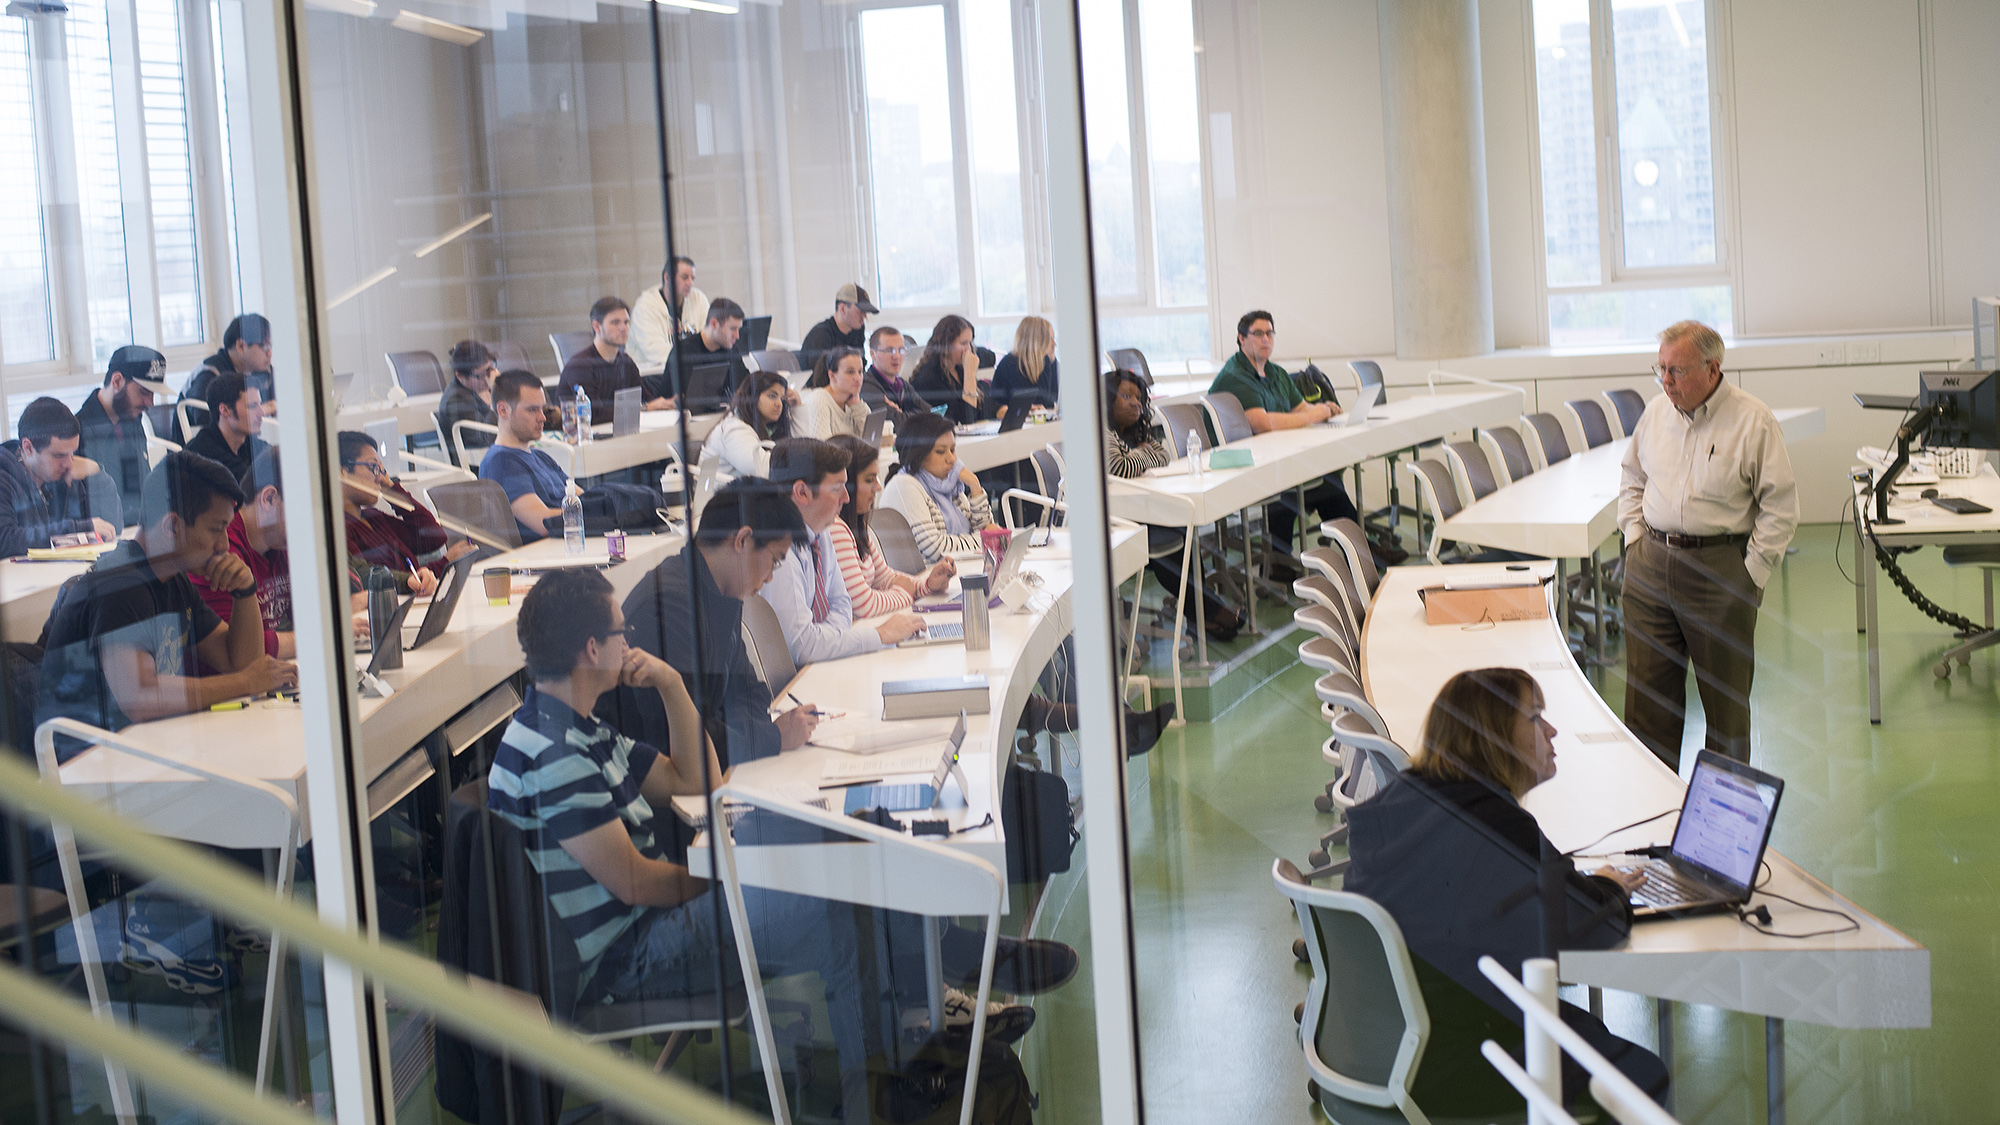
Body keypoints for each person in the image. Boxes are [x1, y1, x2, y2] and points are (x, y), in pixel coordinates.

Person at [488, 568, 878, 1122]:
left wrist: (672, 685)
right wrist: (731, 873)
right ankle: (873, 1101)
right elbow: (635, 883)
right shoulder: (554, 754)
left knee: (824, 882)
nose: (631, 643)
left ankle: (877, 1073)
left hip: (642, 927)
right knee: (832, 911)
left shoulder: (575, 726)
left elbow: (697, 783)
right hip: (626, 957)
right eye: (622, 633)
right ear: (593, 649)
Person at [1343, 668, 1668, 1107]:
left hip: (1381, 1039)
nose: (1552, 731)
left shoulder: (1401, 801)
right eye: (1535, 718)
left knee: (1584, 1030)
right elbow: (1588, 930)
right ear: (1494, 738)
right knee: (1642, 1077)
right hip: (1455, 1053)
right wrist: (1611, 890)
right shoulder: (1496, 827)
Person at [37, 451, 297, 761]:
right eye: (216, 529)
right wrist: (245, 682)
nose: (225, 546)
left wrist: (245, 592)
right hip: (86, 766)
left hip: (137, 750)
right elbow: (139, 697)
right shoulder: (119, 584)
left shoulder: (173, 578)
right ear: (172, 526)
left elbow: (237, 659)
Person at [1618, 320, 1798, 768]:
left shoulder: (1752, 420)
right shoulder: (1656, 413)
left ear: (1712, 369)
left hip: (1718, 570)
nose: (1666, 381)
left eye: (1676, 371)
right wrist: (1634, 539)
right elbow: (1632, 475)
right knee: (1646, 706)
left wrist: (1749, 576)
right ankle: (1650, 820)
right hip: (1650, 565)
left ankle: (1721, 826)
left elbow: (1780, 506)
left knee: (1725, 711)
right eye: (1660, 369)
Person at [617, 477, 817, 767]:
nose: (771, 576)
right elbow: (679, 737)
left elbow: (750, 692)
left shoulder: (723, 592)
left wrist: (751, 733)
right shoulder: (667, 606)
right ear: (743, 540)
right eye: (774, 561)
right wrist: (772, 737)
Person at [1208, 309, 1360, 566]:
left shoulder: (1275, 372)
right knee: (1315, 480)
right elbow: (1263, 424)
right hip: (1241, 466)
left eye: (1269, 333)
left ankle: (1354, 553)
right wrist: (1314, 415)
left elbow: (1299, 408)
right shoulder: (1235, 376)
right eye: (1257, 334)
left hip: (1272, 458)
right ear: (1241, 339)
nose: (1265, 339)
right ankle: (1354, 555)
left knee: (1324, 476)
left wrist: (1324, 409)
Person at [1103, 371, 1239, 641]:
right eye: (1126, 396)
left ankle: (1200, 612)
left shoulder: (1133, 432)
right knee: (1171, 543)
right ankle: (1205, 611)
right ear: (1107, 399)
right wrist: (1143, 453)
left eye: (1139, 399)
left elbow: (1163, 456)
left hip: (1142, 508)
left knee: (1181, 530)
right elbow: (1120, 466)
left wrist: (1138, 454)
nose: (1134, 404)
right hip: (1117, 520)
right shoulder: (1101, 432)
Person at [762, 438, 925, 663]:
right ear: (802, 493)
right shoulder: (780, 552)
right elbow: (802, 647)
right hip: (793, 683)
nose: (846, 498)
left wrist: (825, 639)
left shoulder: (821, 532)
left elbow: (842, 604)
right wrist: (879, 635)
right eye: (837, 489)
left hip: (820, 665)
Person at [824, 435, 955, 618]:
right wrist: (906, 594)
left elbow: (885, 578)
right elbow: (864, 606)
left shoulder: (857, 526)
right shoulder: (835, 529)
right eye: (869, 480)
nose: (878, 487)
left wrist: (927, 585)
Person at [190, 446, 294, 659]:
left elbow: (313, 614)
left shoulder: (280, 545)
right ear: (269, 498)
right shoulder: (216, 549)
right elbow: (238, 649)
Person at [339, 431, 462, 593]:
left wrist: (391, 488)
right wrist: (443, 565)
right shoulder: (340, 530)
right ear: (342, 472)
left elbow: (434, 536)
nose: (380, 478)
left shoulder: (373, 517)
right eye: (373, 468)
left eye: (382, 470)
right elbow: (374, 581)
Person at [0, 397, 117, 554]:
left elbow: (110, 528)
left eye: (72, 453)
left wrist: (96, 474)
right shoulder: (4, 477)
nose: (69, 463)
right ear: (28, 448)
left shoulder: (64, 474)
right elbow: (6, 540)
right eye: (58, 455)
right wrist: (78, 528)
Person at [877, 412, 995, 563]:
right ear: (918, 455)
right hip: (926, 579)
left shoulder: (947, 483)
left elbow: (986, 527)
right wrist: (986, 540)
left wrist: (975, 486)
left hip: (958, 569)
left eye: (952, 450)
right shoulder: (904, 485)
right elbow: (937, 549)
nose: (952, 459)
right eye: (940, 451)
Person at [78, 345, 171, 522]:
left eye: (153, 394)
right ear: (117, 381)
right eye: (143, 392)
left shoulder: (134, 422)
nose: (150, 403)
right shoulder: (80, 433)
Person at [479, 370, 571, 543]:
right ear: (503, 410)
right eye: (532, 410)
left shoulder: (541, 457)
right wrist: (592, 511)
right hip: (542, 555)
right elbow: (545, 522)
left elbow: (582, 499)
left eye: (542, 409)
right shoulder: (501, 462)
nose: (543, 417)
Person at [560, 297, 668, 416]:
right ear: (596, 327)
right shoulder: (581, 365)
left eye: (626, 322)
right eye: (615, 323)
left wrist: (667, 403)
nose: (623, 328)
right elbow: (594, 413)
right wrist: (645, 408)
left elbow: (646, 399)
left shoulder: (626, 362)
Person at [178, 313, 276, 442]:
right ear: (241, 346)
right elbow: (205, 420)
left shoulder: (263, 372)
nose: (270, 353)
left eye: (271, 346)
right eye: (264, 346)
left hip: (246, 443)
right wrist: (262, 409)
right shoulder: (210, 373)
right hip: (205, 449)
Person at [705, 371, 795, 483]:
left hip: (747, 493)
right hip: (722, 497)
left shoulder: (765, 427)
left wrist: (797, 409)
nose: (779, 404)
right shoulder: (734, 428)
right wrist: (798, 457)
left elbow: (803, 443)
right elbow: (759, 468)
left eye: (782, 399)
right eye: (772, 396)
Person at [182, 371, 270, 485]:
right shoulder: (202, 455)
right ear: (225, 410)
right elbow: (252, 485)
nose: (262, 412)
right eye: (252, 406)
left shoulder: (248, 442)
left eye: (260, 405)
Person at [627, 256, 708, 376]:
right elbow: (655, 351)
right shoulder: (645, 307)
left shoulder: (698, 299)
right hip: (652, 374)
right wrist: (695, 356)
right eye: (684, 277)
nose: (690, 283)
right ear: (667, 277)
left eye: (692, 278)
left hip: (690, 369)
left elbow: (707, 338)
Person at [672, 296, 748, 405]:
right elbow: (686, 399)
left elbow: (745, 386)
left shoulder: (731, 349)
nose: (737, 336)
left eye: (738, 329)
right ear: (714, 324)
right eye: (732, 329)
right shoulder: (684, 351)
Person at [909, 314, 982, 425]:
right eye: (963, 343)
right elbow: (965, 421)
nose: (968, 349)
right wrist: (970, 375)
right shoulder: (930, 378)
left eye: (970, 343)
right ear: (946, 344)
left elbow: (978, 413)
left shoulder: (959, 369)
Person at [437, 340, 499, 465]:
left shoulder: (474, 391)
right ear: (460, 376)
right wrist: (496, 395)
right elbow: (485, 438)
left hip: (487, 459)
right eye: (481, 375)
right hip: (476, 466)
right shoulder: (456, 400)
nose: (488, 378)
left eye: (490, 370)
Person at [990, 316, 1058, 419]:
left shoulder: (1049, 362)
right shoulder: (1011, 364)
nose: (1054, 344)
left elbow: (1052, 400)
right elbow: (1039, 402)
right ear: (1037, 341)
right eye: (1050, 339)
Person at [796, 346, 870, 441]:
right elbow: (824, 450)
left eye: (860, 372)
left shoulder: (853, 402)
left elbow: (873, 440)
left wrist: (857, 406)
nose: (858, 378)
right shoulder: (819, 399)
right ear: (832, 375)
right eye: (850, 372)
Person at [798, 282, 876, 364]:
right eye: (860, 311)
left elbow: (860, 366)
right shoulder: (820, 334)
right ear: (842, 308)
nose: (864, 316)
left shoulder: (857, 330)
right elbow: (820, 374)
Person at [861, 325, 927, 419]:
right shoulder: (867, 386)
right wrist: (902, 416)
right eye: (889, 350)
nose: (896, 356)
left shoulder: (903, 385)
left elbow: (934, 415)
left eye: (900, 350)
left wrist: (902, 415)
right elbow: (894, 424)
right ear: (872, 354)